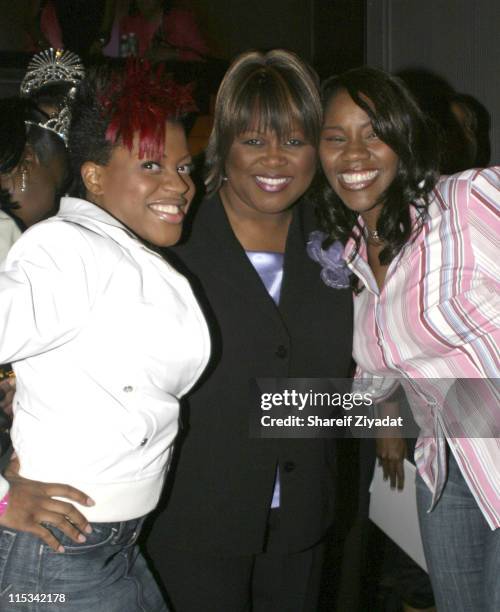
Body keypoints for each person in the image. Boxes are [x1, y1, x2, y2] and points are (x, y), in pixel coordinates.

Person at [145, 49, 353, 612]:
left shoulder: (344, 242)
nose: (276, 159)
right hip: (191, 523)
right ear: (223, 145)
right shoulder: (170, 245)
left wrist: (410, 420)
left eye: (294, 139)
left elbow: (350, 389)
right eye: (254, 140)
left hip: (303, 527)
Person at [0, 59, 210, 611]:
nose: (179, 185)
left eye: (185, 167)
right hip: (56, 556)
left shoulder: (118, 251)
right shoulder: (70, 250)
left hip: (106, 544)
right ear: (94, 175)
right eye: (151, 164)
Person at [314, 66, 499, 612]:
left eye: (374, 132)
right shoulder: (351, 259)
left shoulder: (465, 202)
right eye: (335, 137)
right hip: (445, 468)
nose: (355, 153)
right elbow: (380, 366)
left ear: (404, 136)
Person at [119, 0, 208, 61]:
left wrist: (173, 54)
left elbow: (202, 57)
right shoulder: (129, 24)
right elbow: (127, 62)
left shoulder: (181, 19)